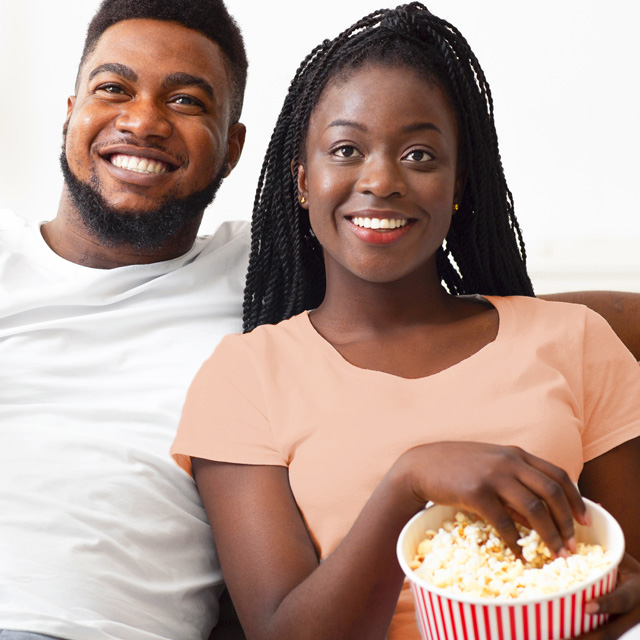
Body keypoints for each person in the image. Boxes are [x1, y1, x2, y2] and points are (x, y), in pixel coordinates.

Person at [0, 1, 638, 640]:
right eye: (346, 149)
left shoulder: (569, 340)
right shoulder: (249, 370)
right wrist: (412, 478)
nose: (381, 179)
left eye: (420, 155)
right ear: (302, 181)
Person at [0, 0, 249, 638]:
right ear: (70, 113)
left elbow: (472, 311)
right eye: (113, 88)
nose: (142, 122)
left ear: (232, 148)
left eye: (187, 102)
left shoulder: (264, 270)